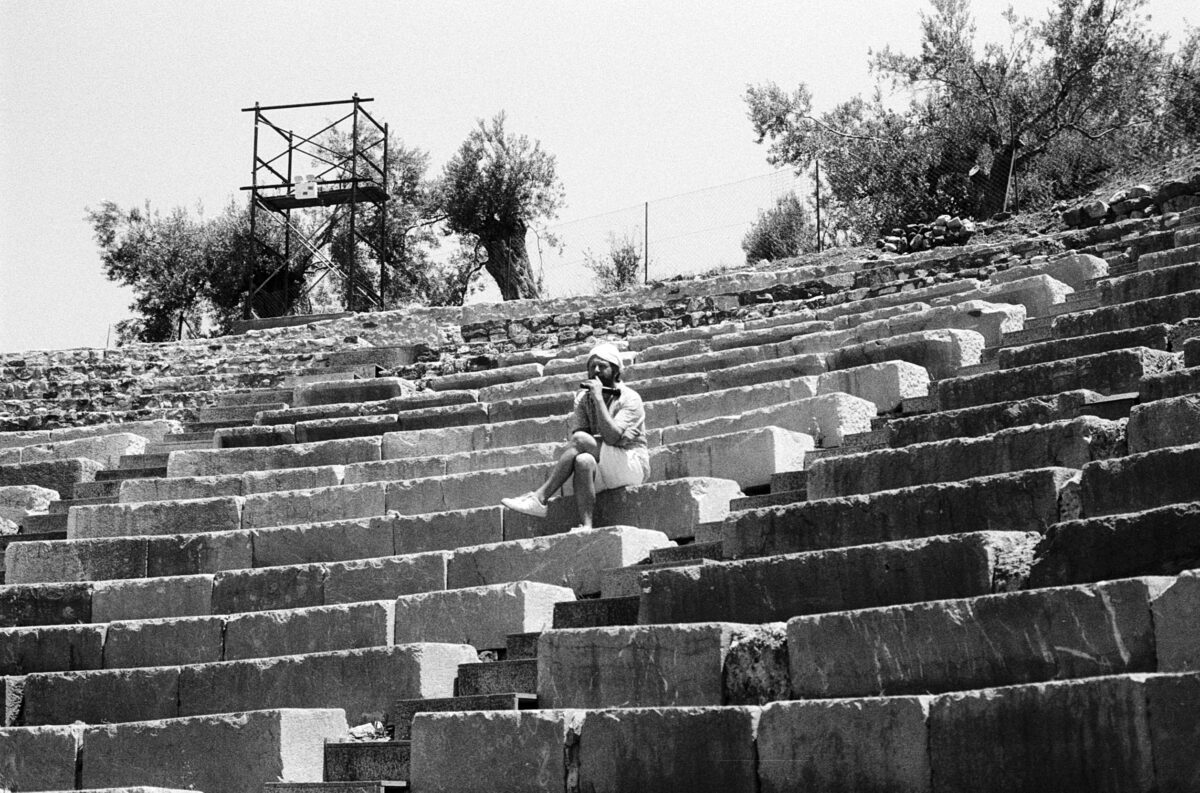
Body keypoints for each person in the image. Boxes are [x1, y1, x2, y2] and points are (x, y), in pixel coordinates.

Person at [501, 343, 650, 529]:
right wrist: (594, 398)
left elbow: (611, 438)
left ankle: (540, 497)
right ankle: (586, 525)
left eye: (602, 367)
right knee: (583, 461)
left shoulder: (630, 398)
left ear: (616, 372)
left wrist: (598, 399)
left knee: (580, 441)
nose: (595, 371)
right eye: (591, 367)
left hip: (631, 463)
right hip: (603, 464)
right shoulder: (582, 399)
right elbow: (582, 440)